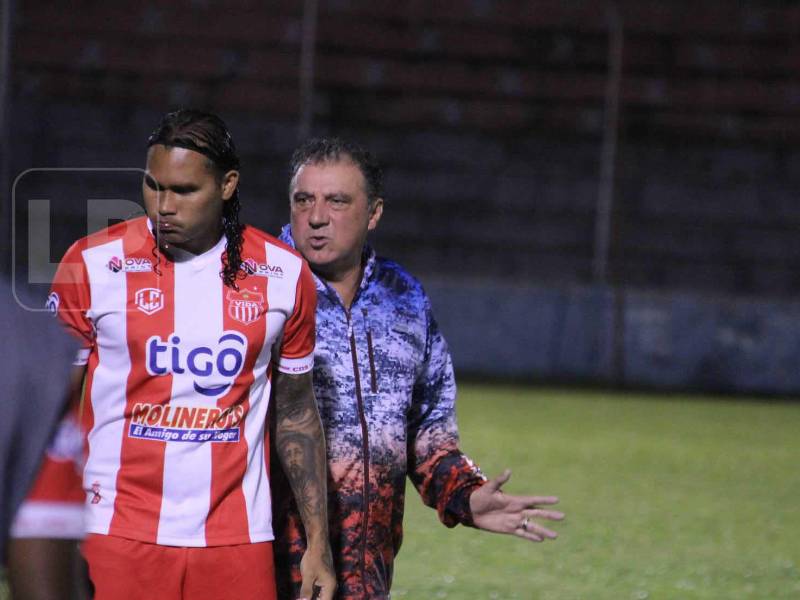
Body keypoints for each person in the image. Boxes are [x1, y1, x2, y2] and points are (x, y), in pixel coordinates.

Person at [49, 109, 336, 600]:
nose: (163, 205)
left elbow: (295, 414)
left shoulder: (284, 275)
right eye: (152, 185)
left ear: (227, 185)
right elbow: (52, 413)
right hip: (113, 531)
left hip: (235, 541)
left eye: (184, 191)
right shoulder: (92, 263)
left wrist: (318, 543)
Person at [272, 138, 564, 599]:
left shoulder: (403, 298)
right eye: (303, 200)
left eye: (337, 201)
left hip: (368, 574)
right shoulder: (258, 288)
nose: (317, 216)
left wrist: (465, 495)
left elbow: (426, 431)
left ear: (374, 213)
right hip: (269, 566)